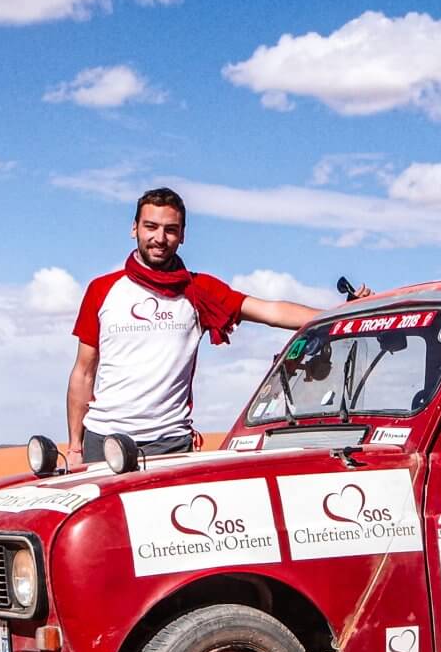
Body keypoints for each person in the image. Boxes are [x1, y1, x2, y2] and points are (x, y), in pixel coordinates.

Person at [67, 186, 366, 463]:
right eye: (151, 227)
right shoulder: (103, 290)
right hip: (104, 441)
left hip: (170, 444)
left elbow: (271, 311)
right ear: (134, 228)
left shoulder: (200, 291)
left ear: (183, 235)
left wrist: (345, 313)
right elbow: (84, 371)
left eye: (170, 230)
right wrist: (75, 447)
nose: (159, 238)